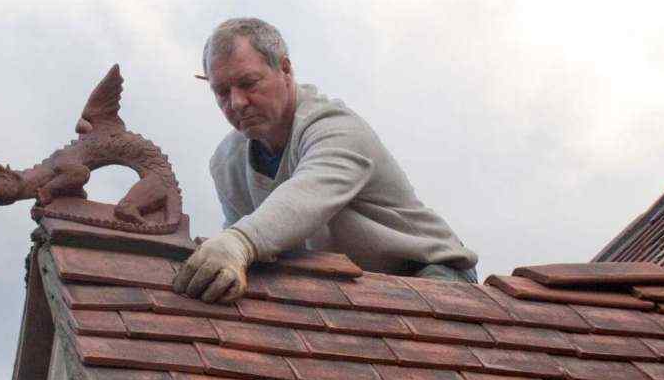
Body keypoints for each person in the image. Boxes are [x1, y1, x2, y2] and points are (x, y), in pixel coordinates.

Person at [173, 17, 478, 304]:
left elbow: (304, 198)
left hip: (430, 275)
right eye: (222, 91)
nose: (237, 102)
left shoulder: (336, 130)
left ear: (286, 69)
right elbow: (253, 253)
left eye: (249, 83)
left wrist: (239, 242)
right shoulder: (228, 163)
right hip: (349, 289)